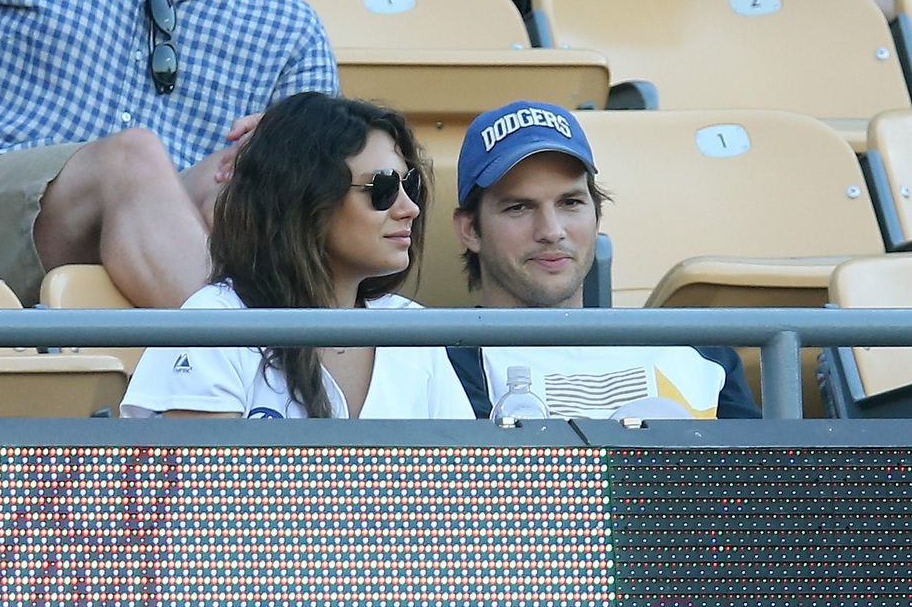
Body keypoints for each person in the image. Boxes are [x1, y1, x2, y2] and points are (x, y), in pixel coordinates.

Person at [0, 0, 338, 307]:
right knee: (131, 160)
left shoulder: (291, 27)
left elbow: (326, 204)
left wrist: (287, 151)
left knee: (248, 173)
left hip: (166, 256)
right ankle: (251, 370)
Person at [121, 92, 474, 420]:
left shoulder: (414, 329)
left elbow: (464, 481)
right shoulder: (214, 321)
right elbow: (203, 484)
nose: (409, 208)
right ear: (304, 199)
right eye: (382, 189)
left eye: (408, 186)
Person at [447, 100, 762, 420]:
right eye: (519, 207)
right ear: (470, 229)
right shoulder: (437, 363)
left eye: (570, 202)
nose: (552, 231)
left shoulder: (702, 357)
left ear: (597, 216)